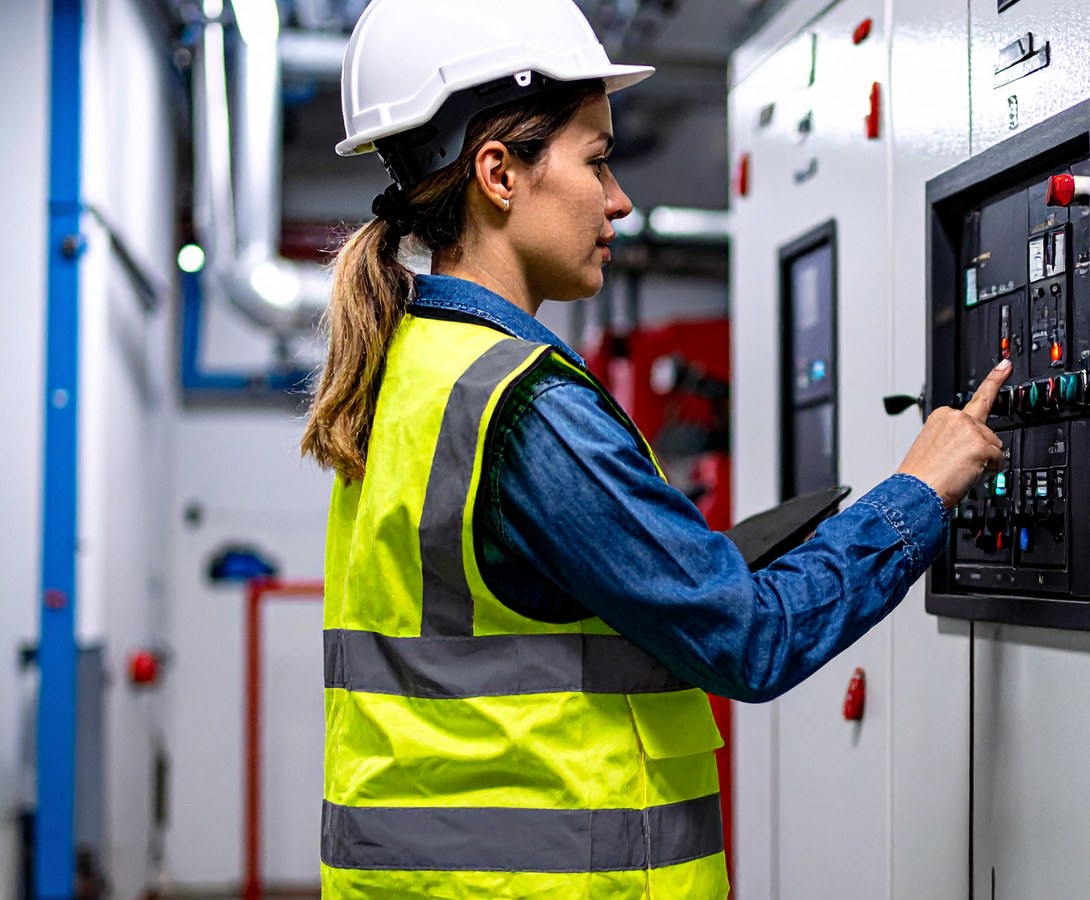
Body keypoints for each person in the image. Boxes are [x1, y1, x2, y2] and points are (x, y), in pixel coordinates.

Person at [300, 0, 1010, 895]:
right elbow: (751, 640)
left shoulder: (409, 370)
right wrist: (920, 488)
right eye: (597, 161)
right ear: (499, 173)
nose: (620, 198)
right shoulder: (527, 408)